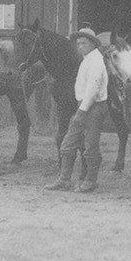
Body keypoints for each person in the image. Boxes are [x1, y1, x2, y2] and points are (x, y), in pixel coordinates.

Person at [46, 27, 109, 193]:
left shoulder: (96, 62)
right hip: (82, 105)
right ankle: (64, 179)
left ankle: (90, 180)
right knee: (68, 144)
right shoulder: (86, 60)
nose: (81, 46)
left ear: (93, 44)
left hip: (92, 107)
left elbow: (93, 89)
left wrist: (82, 111)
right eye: (78, 43)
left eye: (84, 43)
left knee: (90, 145)